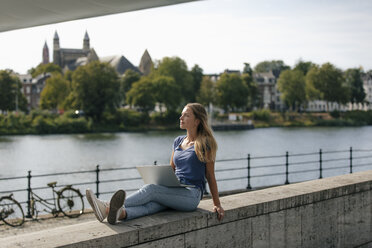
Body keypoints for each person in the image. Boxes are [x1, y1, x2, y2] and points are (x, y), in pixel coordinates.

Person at [86, 103, 225, 224]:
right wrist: (160, 178)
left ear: (197, 121)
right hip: (174, 190)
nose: (180, 118)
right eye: (181, 114)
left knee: (151, 189)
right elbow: (171, 169)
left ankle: (106, 206)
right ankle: (119, 214)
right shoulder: (178, 141)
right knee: (151, 205)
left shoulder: (205, 144)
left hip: (191, 194)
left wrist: (217, 204)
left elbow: (210, 175)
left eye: (186, 115)